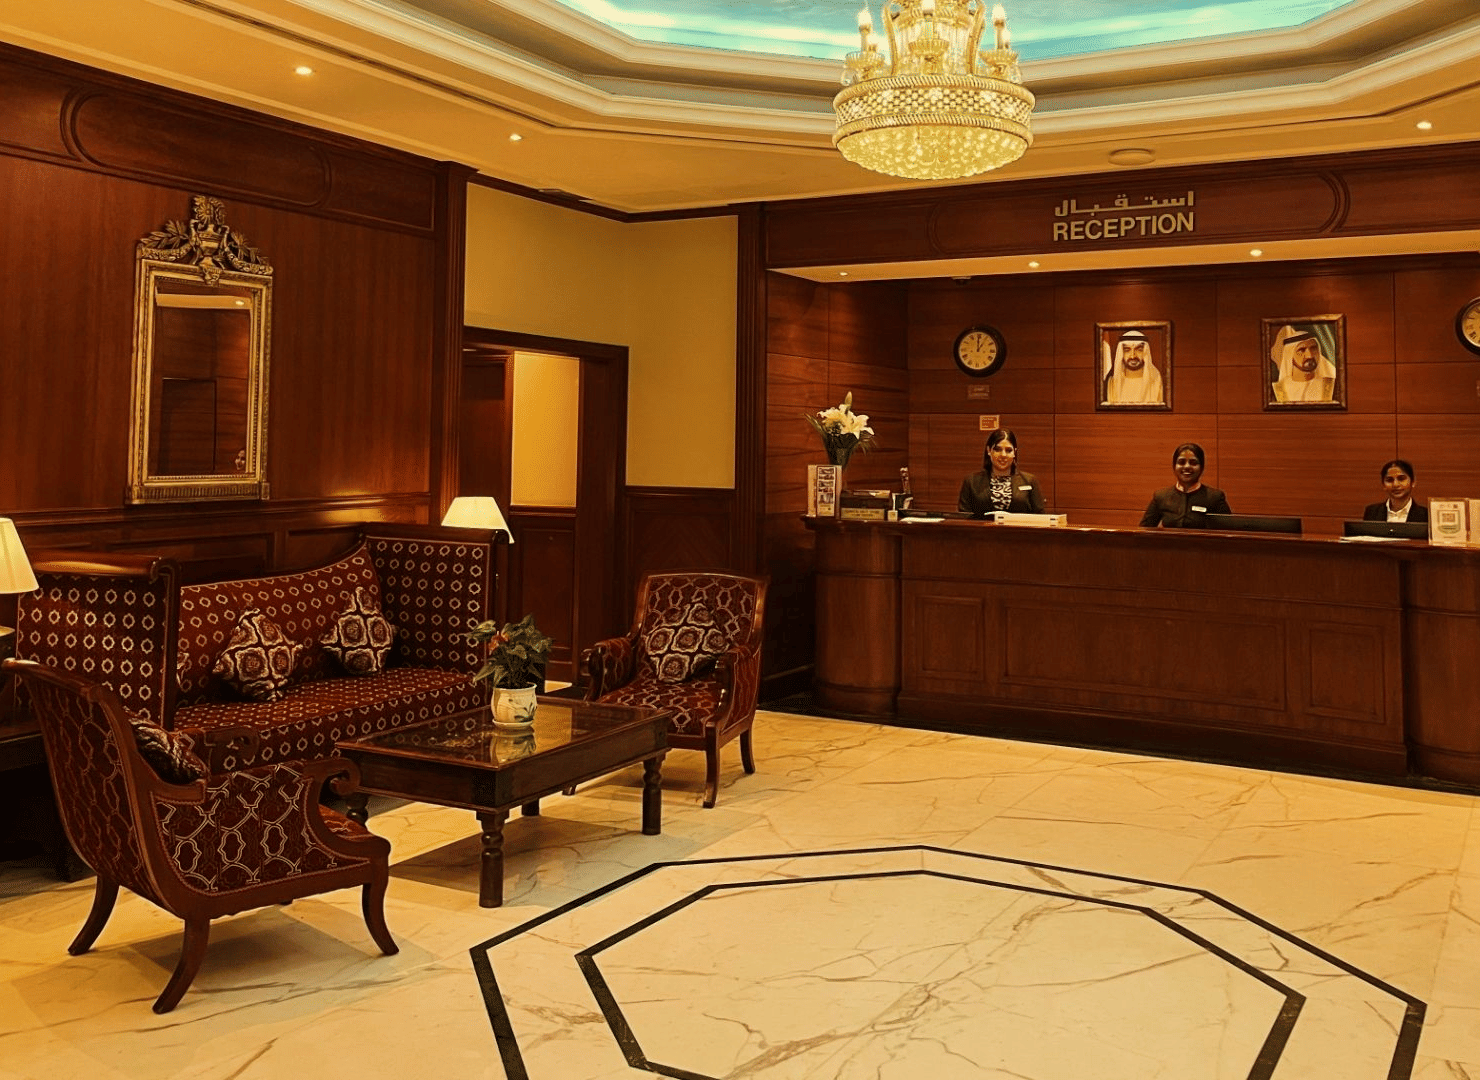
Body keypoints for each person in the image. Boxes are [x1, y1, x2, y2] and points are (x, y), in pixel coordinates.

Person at [1139, 442, 1231, 527]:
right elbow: (1143, 531)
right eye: (1181, 462)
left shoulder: (1214, 497)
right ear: (1174, 466)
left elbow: (1230, 532)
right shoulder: (1161, 496)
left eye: (1193, 463)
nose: (1187, 467)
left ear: (1202, 467)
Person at [958, 428, 1046, 516]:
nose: (1003, 455)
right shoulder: (971, 481)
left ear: (1014, 452)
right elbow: (964, 517)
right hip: (982, 530)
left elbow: (1040, 516)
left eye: (1008, 450)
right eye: (998, 449)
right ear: (989, 450)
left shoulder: (1030, 481)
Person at [1269, 324, 1337, 403]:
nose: (1310, 355)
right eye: (1302, 350)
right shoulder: (1276, 390)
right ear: (1290, 355)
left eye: (1313, 348)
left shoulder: (1332, 386)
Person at [1102, 328, 1164, 405]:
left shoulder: (1156, 381)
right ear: (1121, 353)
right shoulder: (1111, 383)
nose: (1132, 356)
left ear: (1145, 352)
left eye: (1139, 349)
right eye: (1127, 350)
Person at [1363, 458, 1428, 523]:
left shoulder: (1426, 515)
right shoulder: (1372, 512)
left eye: (1401, 479)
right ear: (1383, 485)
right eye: (1389, 480)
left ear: (1413, 482)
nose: (1395, 484)